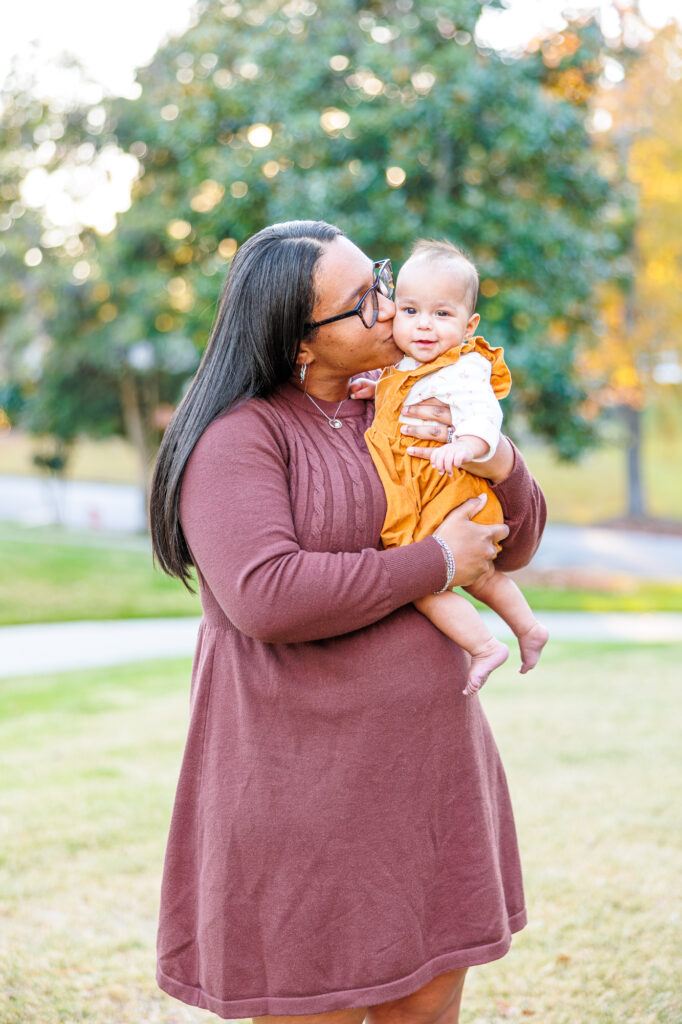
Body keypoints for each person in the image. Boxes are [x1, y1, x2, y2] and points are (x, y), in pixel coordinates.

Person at [149, 220, 547, 1024]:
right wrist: (435, 563)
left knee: (427, 1012)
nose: (394, 309)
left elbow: (514, 541)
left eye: (383, 280)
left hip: (426, 781)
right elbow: (267, 593)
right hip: (303, 796)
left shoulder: (407, 401)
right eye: (367, 301)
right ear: (302, 339)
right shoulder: (240, 440)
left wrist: (497, 459)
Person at [362, 239, 548, 695]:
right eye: (410, 311)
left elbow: (485, 417)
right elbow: (396, 398)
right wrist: (375, 391)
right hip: (438, 494)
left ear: (470, 324)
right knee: (482, 578)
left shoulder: (463, 369)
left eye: (442, 314)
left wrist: (463, 445)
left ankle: (485, 646)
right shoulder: (400, 368)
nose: (424, 325)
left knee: (424, 582)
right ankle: (528, 628)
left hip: (452, 492)